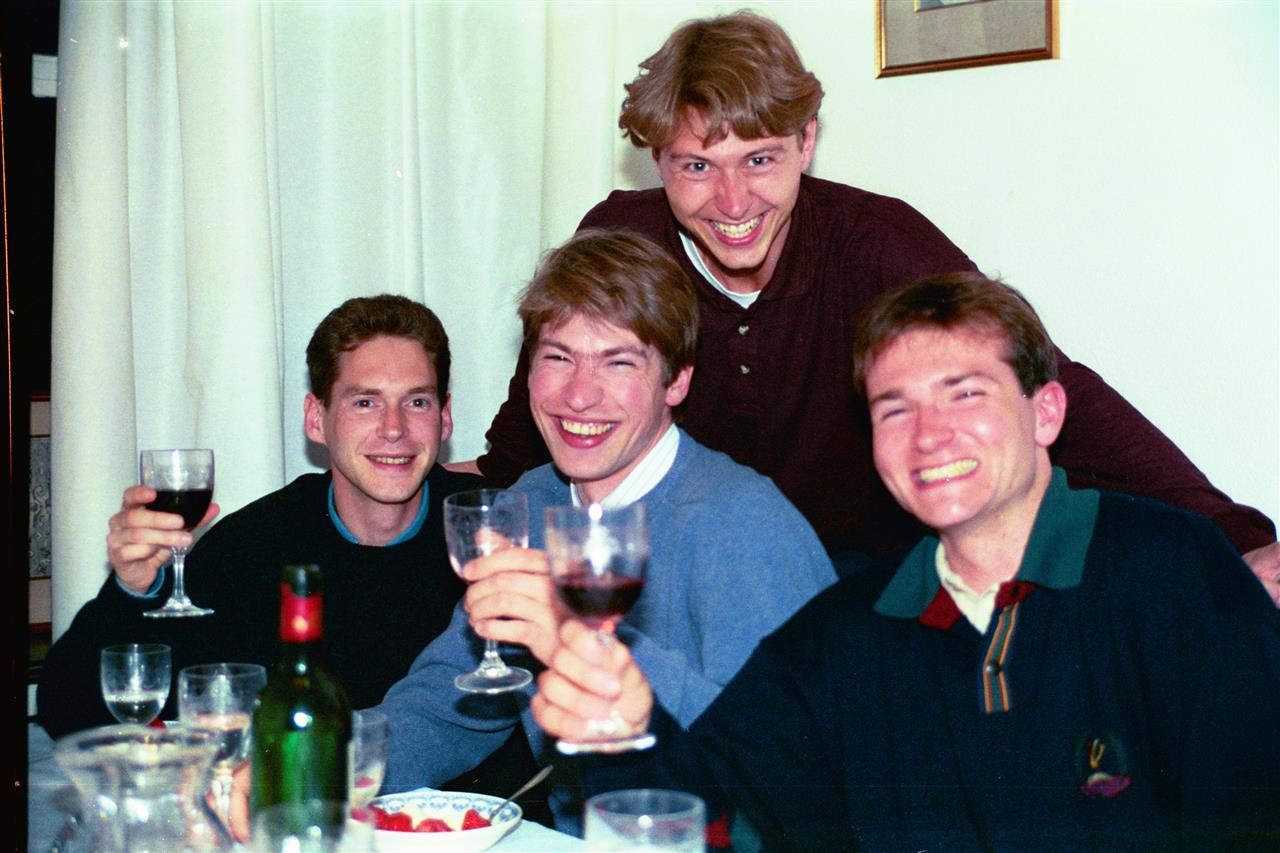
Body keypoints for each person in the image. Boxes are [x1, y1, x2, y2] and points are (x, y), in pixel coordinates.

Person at [462, 10, 1278, 588]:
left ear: (807, 141)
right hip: (683, 572)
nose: (733, 201)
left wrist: (1237, 537)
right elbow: (538, 420)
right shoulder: (624, 237)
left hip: (862, 574)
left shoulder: (878, 244)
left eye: (760, 160)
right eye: (697, 167)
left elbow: (1037, 383)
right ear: (659, 164)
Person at [532, 273, 1280, 850]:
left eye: (964, 394)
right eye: (895, 408)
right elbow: (711, 815)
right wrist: (620, 731)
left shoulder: (1169, 566)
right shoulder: (841, 634)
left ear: (1045, 411)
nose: (929, 435)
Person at [377, 230, 837, 833]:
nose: (578, 395)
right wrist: (317, 763)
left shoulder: (743, 525)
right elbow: (448, 702)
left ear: (677, 382)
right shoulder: (532, 502)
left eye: (618, 362)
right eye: (557, 357)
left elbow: (784, 773)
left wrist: (581, 639)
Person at [37, 295, 542, 812]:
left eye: (417, 402)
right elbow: (70, 710)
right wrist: (131, 591)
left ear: (445, 417)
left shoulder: (494, 536)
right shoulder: (253, 546)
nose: (394, 428)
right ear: (316, 419)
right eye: (364, 403)